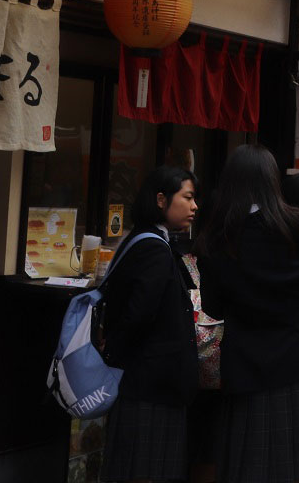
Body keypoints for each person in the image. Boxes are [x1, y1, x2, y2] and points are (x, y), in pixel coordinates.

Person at [197, 145, 299, 483]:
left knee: (252, 465)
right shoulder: (298, 224)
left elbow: (213, 307)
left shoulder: (217, 238)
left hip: (248, 360)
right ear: (272, 181)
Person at [99, 166, 199, 483]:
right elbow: (139, 314)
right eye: (188, 197)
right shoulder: (154, 248)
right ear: (160, 199)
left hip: (144, 381)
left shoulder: (140, 240)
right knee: (148, 469)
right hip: (151, 384)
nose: (195, 206)